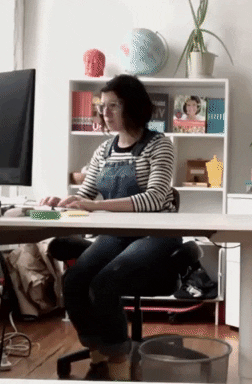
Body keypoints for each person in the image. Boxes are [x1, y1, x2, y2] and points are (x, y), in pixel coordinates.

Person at [40, 74, 180, 381]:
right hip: (117, 234)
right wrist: (59, 204)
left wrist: (94, 206)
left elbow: (155, 198)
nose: (105, 112)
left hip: (156, 234)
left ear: (134, 106)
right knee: (74, 281)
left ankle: (118, 365)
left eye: (113, 105)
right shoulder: (103, 150)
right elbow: (85, 196)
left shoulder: (159, 145)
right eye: (102, 106)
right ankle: (98, 357)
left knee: (105, 282)